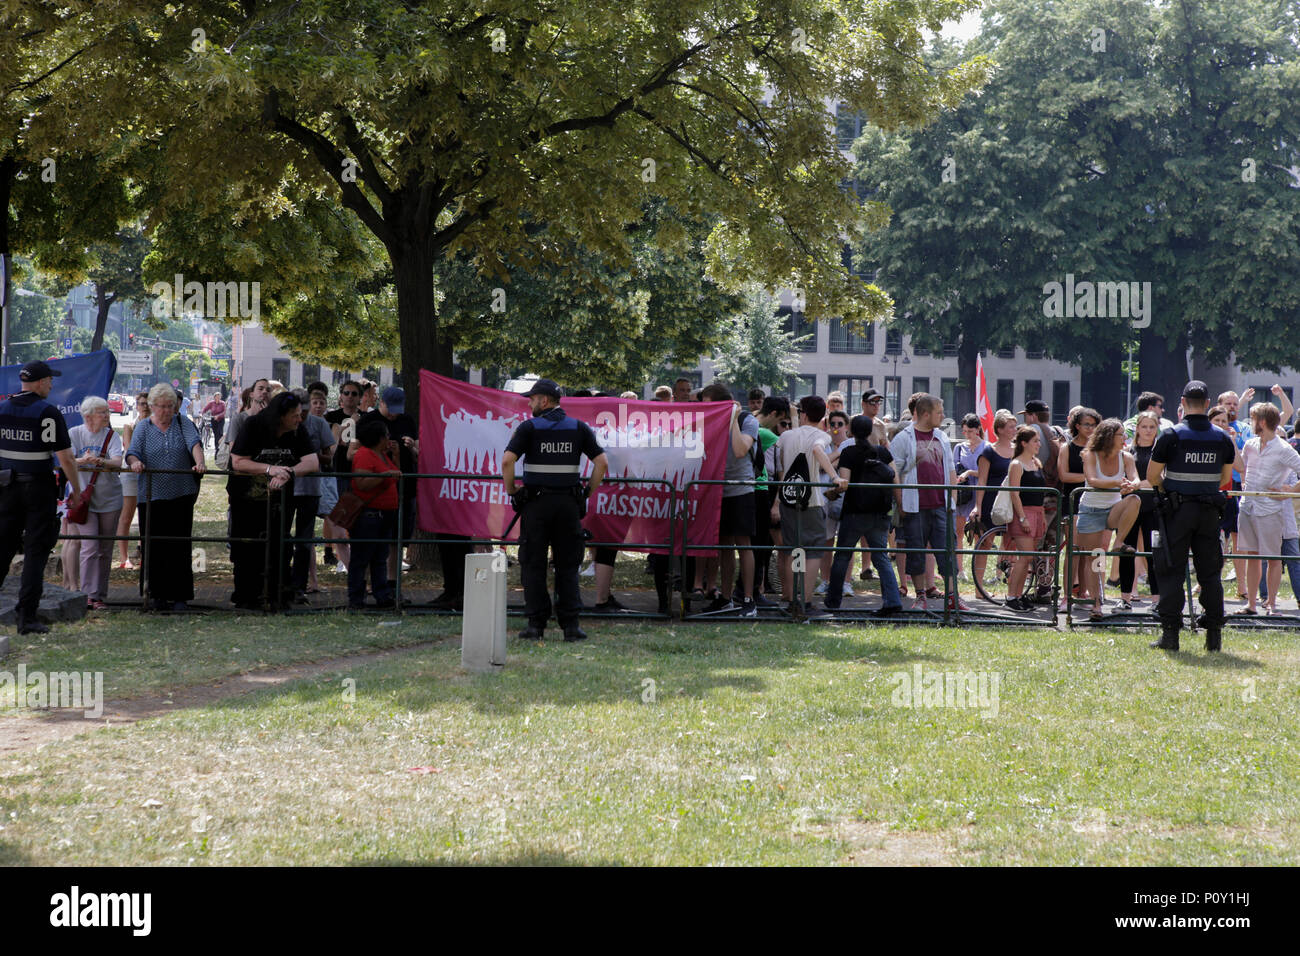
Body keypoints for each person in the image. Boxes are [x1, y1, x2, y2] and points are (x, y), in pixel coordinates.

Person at [501, 379, 608, 642]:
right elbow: (602, 463)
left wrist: (513, 491)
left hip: (536, 506)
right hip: (568, 506)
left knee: (534, 565)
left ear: (544, 401)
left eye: (533, 399)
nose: (529, 403)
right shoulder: (578, 428)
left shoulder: (529, 428)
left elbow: (507, 461)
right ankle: (571, 626)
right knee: (567, 566)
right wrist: (586, 493)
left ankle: (536, 626)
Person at [1147, 381, 1236, 652]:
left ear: (1183, 402)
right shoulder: (1223, 438)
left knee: (1171, 569)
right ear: (1208, 404)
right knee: (1210, 573)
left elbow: (1152, 476)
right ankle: (1214, 638)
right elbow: (1224, 478)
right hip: (1209, 512)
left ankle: (1171, 636)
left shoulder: (1171, 435)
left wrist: (1170, 489)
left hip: (1177, 512)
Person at [0, 361, 82, 634]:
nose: (51, 385)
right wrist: (77, 491)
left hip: (6, 488)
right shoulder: (48, 413)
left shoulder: (2, 408)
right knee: (35, 553)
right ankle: (27, 618)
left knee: (2, 548)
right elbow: (66, 459)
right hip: (38, 489)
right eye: (49, 380)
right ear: (39, 382)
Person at [228, 391, 319, 610]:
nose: (299, 419)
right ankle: (247, 596)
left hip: (280, 501)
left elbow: (312, 461)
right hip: (246, 500)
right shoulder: (253, 425)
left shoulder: (298, 431)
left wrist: (289, 472)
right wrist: (270, 469)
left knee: (281, 546)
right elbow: (238, 462)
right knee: (248, 547)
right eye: (295, 415)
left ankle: (278, 594)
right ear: (281, 416)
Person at [125, 383, 204, 613]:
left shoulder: (183, 423)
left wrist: (199, 462)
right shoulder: (143, 428)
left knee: (179, 545)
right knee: (154, 546)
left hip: (181, 493)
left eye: (170, 406)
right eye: (161, 407)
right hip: (152, 495)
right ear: (151, 407)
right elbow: (132, 453)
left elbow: (195, 443)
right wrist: (135, 463)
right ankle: (155, 595)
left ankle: (180, 596)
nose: (166, 411)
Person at [771, 395, 846, 614]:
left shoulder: (786, 436)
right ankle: (804, 601)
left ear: (803, 414)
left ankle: (795, 598)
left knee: (795, 549)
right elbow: (816, 449)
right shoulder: (822, 436)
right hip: (811, 500)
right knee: (813, 551)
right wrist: (834, 477)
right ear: (823, 415)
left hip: (788, 500)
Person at [889, 393, 963, 611]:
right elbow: (896, 472)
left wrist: (953, 501)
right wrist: (901, 501)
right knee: (916, 553)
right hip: (915, 506)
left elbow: (950, 469)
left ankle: (952, 598)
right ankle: (920, 597)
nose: (943, 416)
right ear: (925, 414)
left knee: (947, 551)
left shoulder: (941, 436)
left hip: (941, 505)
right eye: (939, 412)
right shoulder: (903, 438)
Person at [825, 414, 901, 616]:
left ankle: (833, 601)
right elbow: (896, 480)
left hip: (854, 512)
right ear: (870, 432)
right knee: (882, 558)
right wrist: (900, 507)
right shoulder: (883, 452)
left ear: (850, 431)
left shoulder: (848, 452)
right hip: (880, 513)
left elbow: (844, 484)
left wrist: (832, 493)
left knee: (842, 556)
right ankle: (892, 601)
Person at [697, 383, 760, 615]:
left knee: (744, 544)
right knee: (724, 546)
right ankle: (725, 598)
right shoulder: (709, 421)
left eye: (709, 405)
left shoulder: (747, 420)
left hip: (741, 489)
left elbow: (741, 449)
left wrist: (731, 418)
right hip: (716, 490)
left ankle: (748, 599)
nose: (705, 409)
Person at [1235, 401, 1300, 617]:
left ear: (1261, 422)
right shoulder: (1250, 444)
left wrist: (1290, 490)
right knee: (1252, 556)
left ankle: (1272, 605)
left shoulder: (1283, 448)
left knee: (1273, 558)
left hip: (1271, 509)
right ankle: (1252, 605)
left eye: (1253, 419)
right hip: (1248, 506)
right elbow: (1242, 468)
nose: (1251, 422)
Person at [1074, 418, 1142, 621]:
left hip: (1113, 509)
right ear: (1109, 436)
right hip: (1091, 510)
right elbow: (1093, 480)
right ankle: (1095, 604)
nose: (1125, 438)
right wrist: (1117, 482)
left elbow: (1136, 479)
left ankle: (1118, 542)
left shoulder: (1127, 456)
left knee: (1134, 499)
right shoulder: (1090, 454)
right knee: (1095, 558)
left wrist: (1132, 485)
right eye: (1122, 434)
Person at [350, 386, 418, 583]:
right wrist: (377, 452)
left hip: (402, 488)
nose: (395, 414)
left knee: (396, 538)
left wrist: (411, 447)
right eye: (391, 409)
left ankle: (391, 582)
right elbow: (352, 453)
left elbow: (417, 453)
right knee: (371, 540)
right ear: (381, 403)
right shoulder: (367, 422)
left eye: (399, 409)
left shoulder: (407, 421)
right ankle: (366, 583)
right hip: (374, 492)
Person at [67, 397, 124, 610]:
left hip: (110, 498)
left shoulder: (112, 436)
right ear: (89, 416)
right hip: (84, 499)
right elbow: (68, 459)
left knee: (105, 548)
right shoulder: (74, 433)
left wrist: (101, 461)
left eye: (107, 412)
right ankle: (88, 594)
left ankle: (100, 594)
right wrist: (84, 460)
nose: (107, 416)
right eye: (103, 412)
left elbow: (118, 461)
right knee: (89, 546)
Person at [346, 418, 401, 610]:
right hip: (369, 514)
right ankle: (356, 598)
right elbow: (361, 483)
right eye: (386, 434)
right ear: (379, 437)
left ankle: (382, 595)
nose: (389, 438)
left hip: (386, 513)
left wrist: (395, 455)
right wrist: (382, 477)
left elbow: (396, 473)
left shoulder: (383, 455)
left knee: (380, 557)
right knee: (361, 557)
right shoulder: (364, 455)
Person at [289, 388, 336, 601]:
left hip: (310, 489)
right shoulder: (283, 424)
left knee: (304, 539)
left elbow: (329, 457)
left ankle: (299, 586)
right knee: (282, 537)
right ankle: (283, 583)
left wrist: (314, 458)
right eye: (300, 411)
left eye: (306, 411)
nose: (303, 416)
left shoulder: (318, 424)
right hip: (287, 488)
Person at [1116, 410, 1163, 609]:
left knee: (1155, 553)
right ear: (1137, 428)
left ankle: (1157, 599)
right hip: (1130, 507)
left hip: (1154, 508)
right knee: (1127, 551)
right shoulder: (1128, 452)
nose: (1148, 430)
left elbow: (1159, 481)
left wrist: (1137, 485)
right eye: (1144, 426)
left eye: (1152, 427)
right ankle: (1125, 597)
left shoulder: (1160, 451)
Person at [1004, 426, 1048, 611]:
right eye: (1035, 441)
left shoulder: (1036, 463)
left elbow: (1041, 493)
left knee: (1027, 558)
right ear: (1024, 443)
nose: (1038, 444)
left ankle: (1019, 595)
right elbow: (1015, 494)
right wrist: (1022, 518)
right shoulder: (1016, 464)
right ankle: (1011, 597)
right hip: (1023, 512)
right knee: (1024, 557)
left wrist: (1043, 516)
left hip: (1037, 512)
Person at [116, 391, 150, 569]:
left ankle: (145, 553)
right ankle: (124, 558)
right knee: (126, 516)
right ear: (136, 406)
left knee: (147, 516)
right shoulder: (130, 425)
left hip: (148, 473)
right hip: (131, 472)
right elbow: (130, 449)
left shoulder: (154, 424)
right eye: (141, 403)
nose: (144, 407)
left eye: (147, 403)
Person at [952, 413, 987, 580]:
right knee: (958, 532)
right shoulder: (959, 448)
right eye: (965, 431)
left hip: (979, 493)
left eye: (971, 431)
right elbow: (953, 470)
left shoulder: (987, 447)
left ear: (978, 429)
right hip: (963, 494)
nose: (967, 435)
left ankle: (977, 572)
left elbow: (988, 473)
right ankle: (960, 570)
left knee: (978, 533)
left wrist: (970, 472)